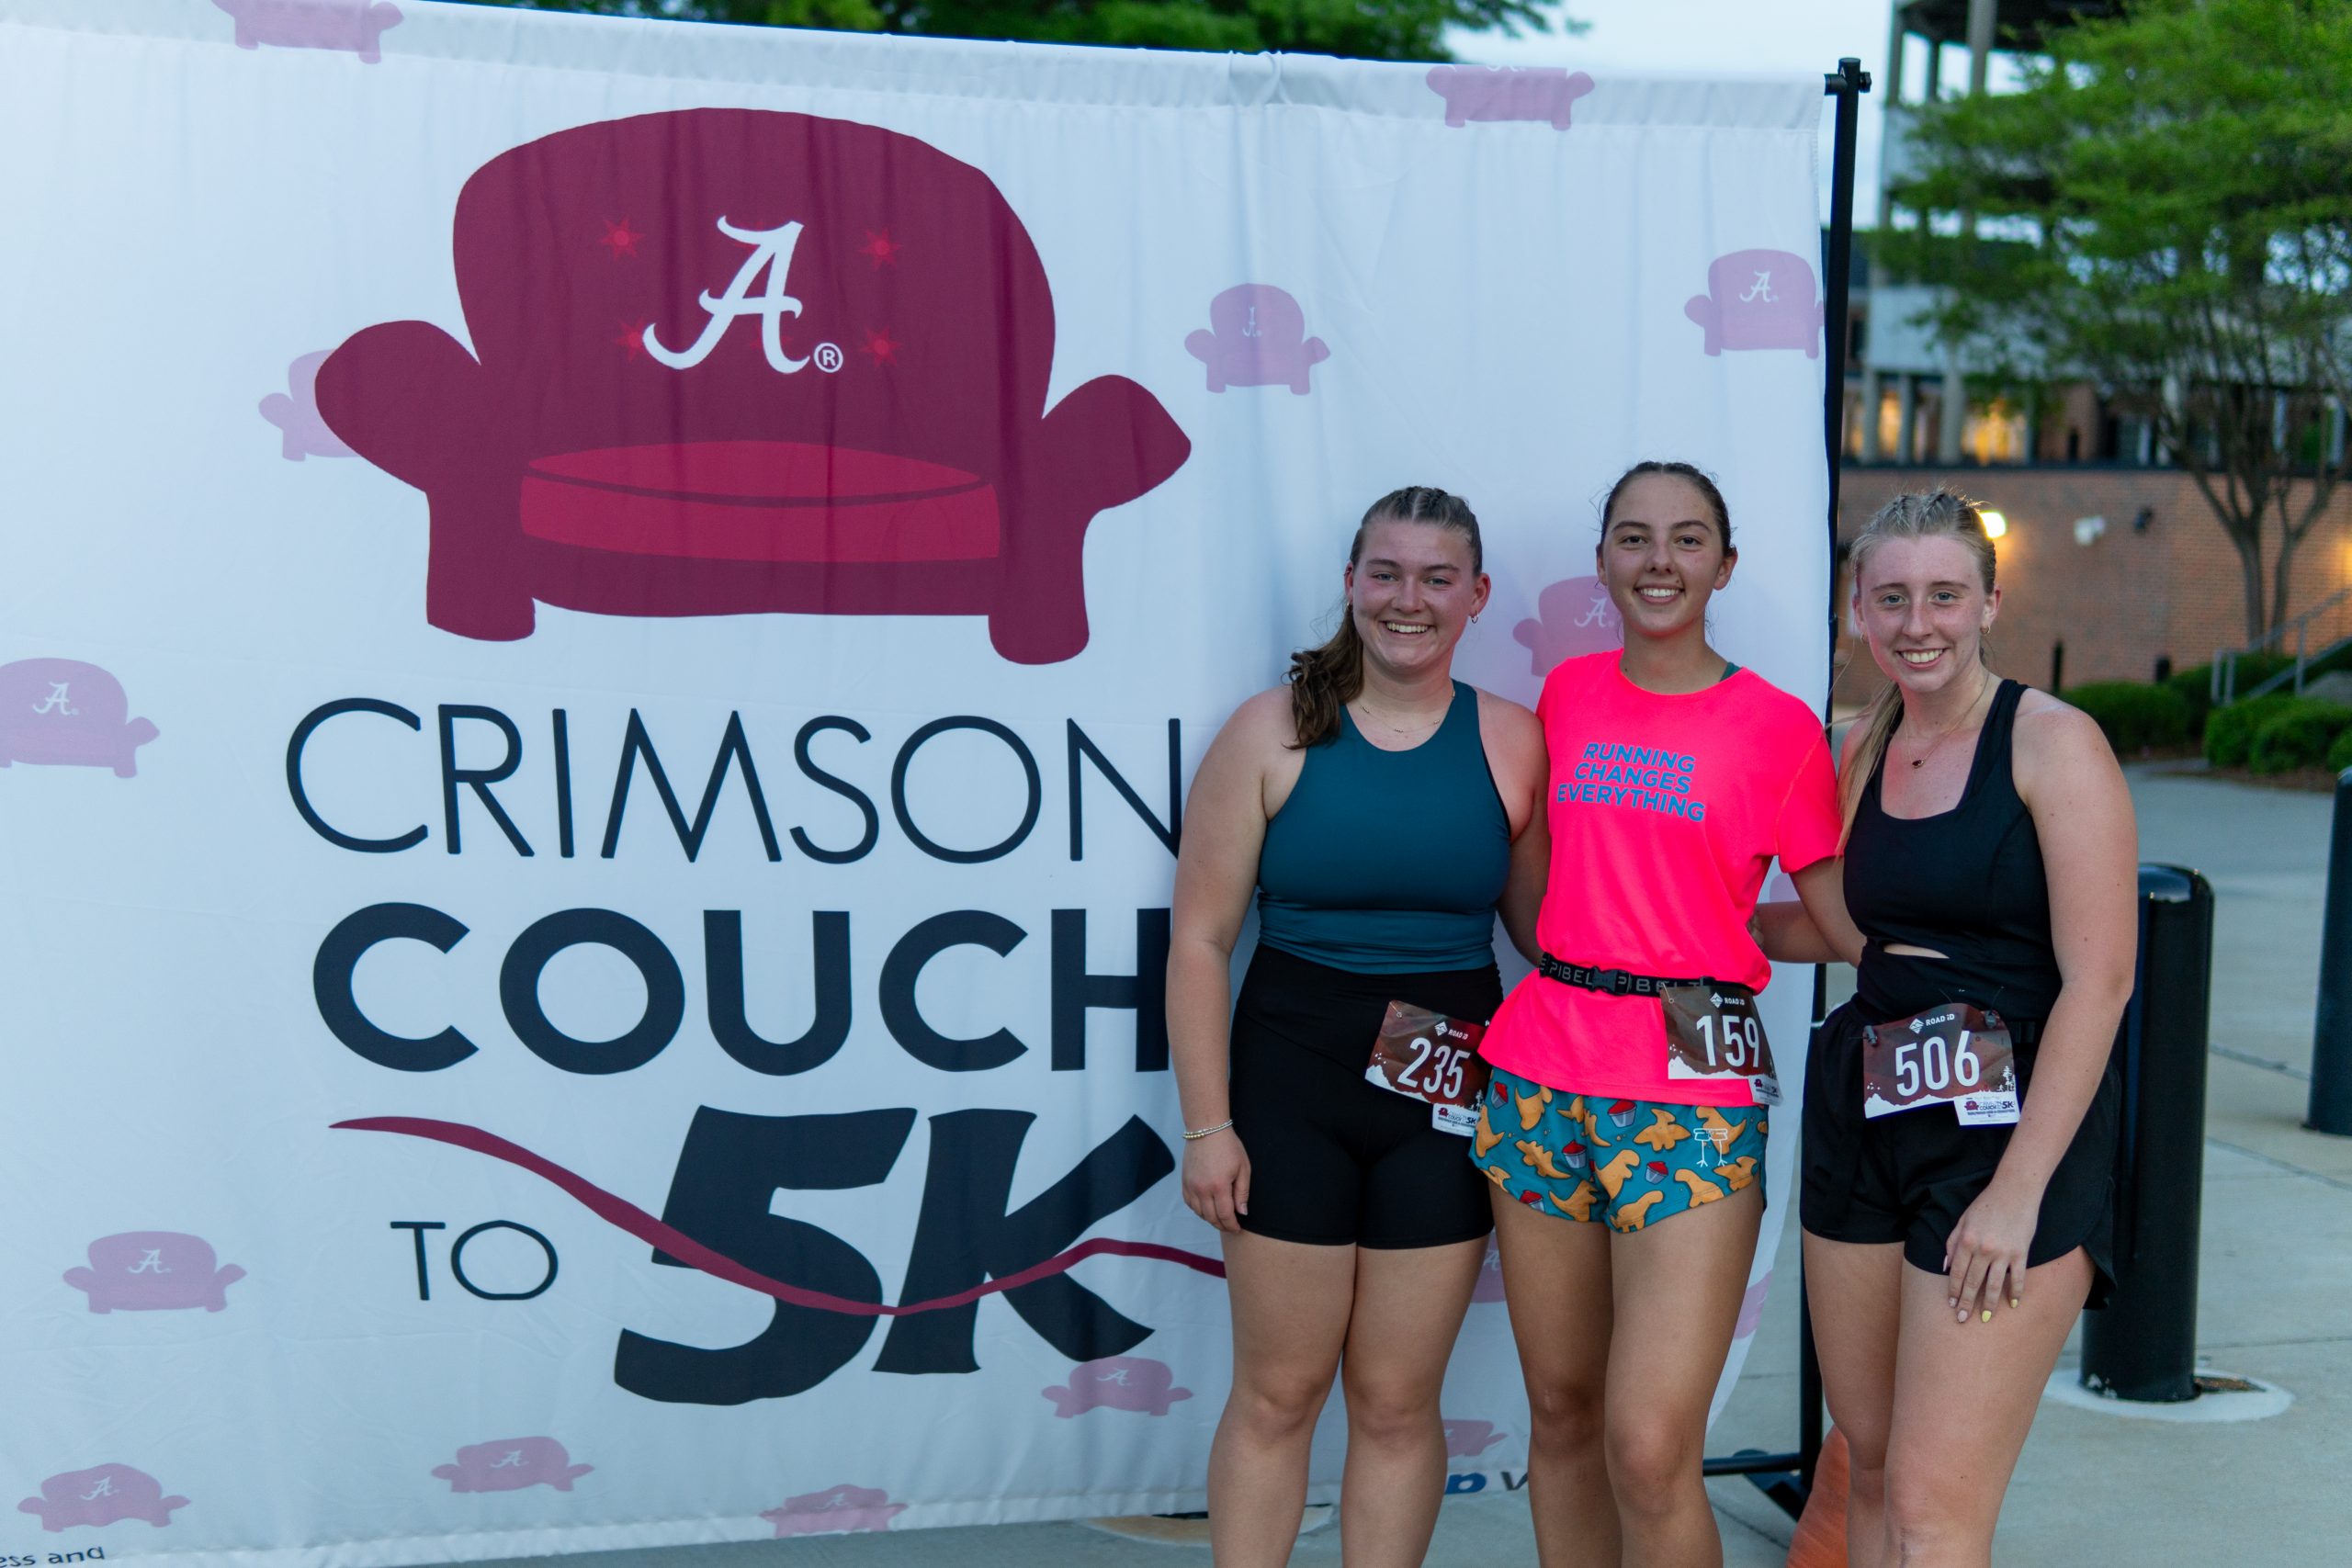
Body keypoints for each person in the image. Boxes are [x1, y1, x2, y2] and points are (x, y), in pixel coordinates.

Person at [1470, 460, 1850, 1568]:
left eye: (1687, 541)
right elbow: (1531, 879)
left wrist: (1719, 948)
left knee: (1647, 1445)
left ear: (1723, 566)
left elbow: (1829, 920)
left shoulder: (1777, 728)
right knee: (1562, 1416)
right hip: (1540, 1075)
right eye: (1634, 539)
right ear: (1602, 564)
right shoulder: (1569, 697)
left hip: (1689, 1100)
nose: (1659, 562)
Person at [1168, 485, 1548, 1568]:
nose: (1407, 600)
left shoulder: (1512, 741)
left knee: (1393, 1401)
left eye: (1437, 579)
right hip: (1289, 1086)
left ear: (1475, 596)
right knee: (1280, 1392)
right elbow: (1198, 942)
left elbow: (1542, 935)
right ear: (1349, 584)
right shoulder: (1270, 732)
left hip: (1445, 1096)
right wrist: (1209, 1128)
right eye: (1385, 573)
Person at [1772, 488, 2136, 1567]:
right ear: (1856, 610)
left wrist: (2016, 1194)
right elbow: (1842, 932)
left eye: (1942, 595)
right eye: (1891, 598)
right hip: (1866, 1109)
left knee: (1935, 1513)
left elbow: (2102, 982)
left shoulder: (2051, 743)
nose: (1915, 623)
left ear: (1988, 603)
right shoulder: (1849, 749)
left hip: (2005, 1136)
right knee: (1872, 1465)